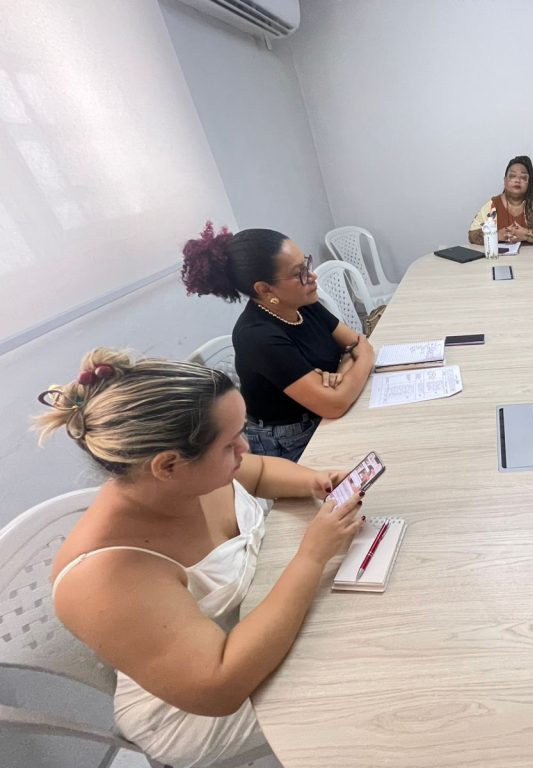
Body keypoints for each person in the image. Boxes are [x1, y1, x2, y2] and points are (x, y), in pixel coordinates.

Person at [37, 349, 366, 768]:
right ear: (168, 465)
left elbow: (259, 472)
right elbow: (220, 686)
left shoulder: (190, 476)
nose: (244, 447)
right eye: (230, 444)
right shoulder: (102, 576)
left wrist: (314, 481)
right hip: (197, 712)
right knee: (363, 679)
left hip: (257, 624)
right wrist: (312, 556)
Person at [181, 223, 373, 461]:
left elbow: (354, 342)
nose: (312, 276)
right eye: (299, 273)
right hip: (290, 439)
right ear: (264, 289)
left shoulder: (303, 304)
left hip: (323, 415)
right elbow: (335, 402)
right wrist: (362, 357)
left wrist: (343, 370)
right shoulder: (257, 336)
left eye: (307, 264)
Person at [468, 155, 533, 245]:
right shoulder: (493, 205)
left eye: (523, 177)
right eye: (512, 176)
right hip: (499, 256)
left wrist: (527, 235)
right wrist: (497, 235)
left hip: (532, 256)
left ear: (529, 183)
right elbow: (472, 234)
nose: (517, 180)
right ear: (505, 181)